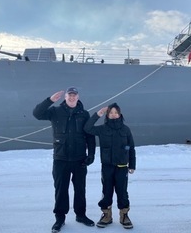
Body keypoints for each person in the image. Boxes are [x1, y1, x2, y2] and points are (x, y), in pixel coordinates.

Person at [33, 87, 96, 232]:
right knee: (61, 189)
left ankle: (81, 215)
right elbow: (37, 114)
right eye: (69, 95)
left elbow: (90, 136)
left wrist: (91, 154)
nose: (72, 97)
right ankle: (60, 218)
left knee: (80, 189)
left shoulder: (84, 114)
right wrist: (49, 100)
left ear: (78, 97)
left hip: (79, 159)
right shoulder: (55, 112)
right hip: (61, 158)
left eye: (74, 95)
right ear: (65, 97)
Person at [84, 102, 136, 229]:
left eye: (115, 112)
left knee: (122, 191)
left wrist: (132, 165)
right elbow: (87, 128)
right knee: (107, 191)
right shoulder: (102, 129)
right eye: (111, 112)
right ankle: (106, 215)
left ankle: (124, 215)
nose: (113, 115)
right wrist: (97, 114)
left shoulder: (125, 129)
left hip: (122, 166)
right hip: (107, 166)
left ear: (119, 114)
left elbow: (132, 148)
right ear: (107, 115)